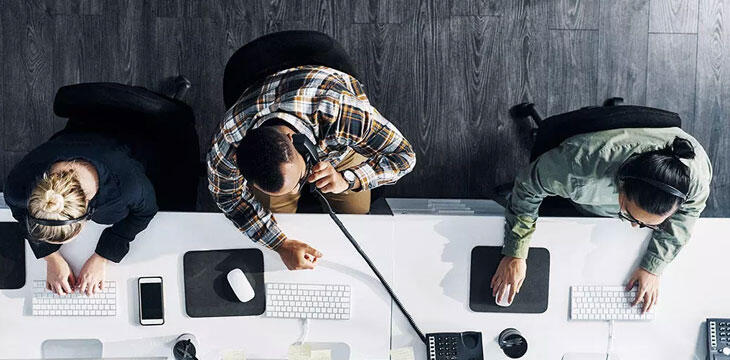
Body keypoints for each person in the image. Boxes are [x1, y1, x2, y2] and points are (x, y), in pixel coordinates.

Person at [209, 52, 416, 271]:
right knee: (280, 223)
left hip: (339, 150)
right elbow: (230, 199)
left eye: (301, 178)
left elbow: (404, 157)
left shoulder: (342, 113)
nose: (307, 183)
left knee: (356, 219)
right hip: (275, 120)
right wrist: (280, 244)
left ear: (296, 141)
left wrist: (348, 180)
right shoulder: (227, 144)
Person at [3, 80, 199, 296]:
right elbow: (22, 215)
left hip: (138, 141)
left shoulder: (125, 188)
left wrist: (103, 256)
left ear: (86, 213)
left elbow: (145, 211)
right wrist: (51, 257)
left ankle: (162, 106)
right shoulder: (18, 186)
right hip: (85, 131)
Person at [491, 128, 712, 313]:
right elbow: (528, 185)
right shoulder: (578, 167)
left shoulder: (696, 176)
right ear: (622, 186)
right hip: (587, 178)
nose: (635, 226)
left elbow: (688, 214)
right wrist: (515, 252)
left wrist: (653, 267)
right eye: (629, 214)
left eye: (649, 224)